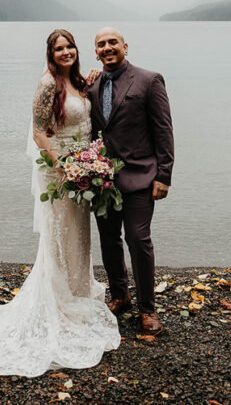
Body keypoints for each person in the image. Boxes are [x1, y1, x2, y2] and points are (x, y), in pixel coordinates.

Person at [0, 29, 120, 377]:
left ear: (76, 51)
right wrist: (63, 167)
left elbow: (85, 114)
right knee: (58, 238)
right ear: (50, 54)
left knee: (78, 237)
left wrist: (84, 165)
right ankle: (57, 302)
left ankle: (77, 292)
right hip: (60, 172)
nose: (66, 52)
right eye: (59, 48)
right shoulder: (47, 84)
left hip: (81, 170)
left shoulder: (79, 82)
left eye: (70, 46)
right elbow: (38, 132)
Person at [86, 27, 174, 335]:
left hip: (141, 176)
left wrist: (164, 175)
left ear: (125, 46)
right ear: (95, 52)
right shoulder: (92, 86)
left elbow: (163, 130)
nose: (107, 47)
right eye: (101, 44)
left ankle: (147, 309)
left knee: (138, 240)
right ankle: (120, 294)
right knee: (109, 241)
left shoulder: (149, 80)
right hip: (102, 180)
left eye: (112, 42)